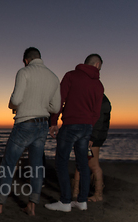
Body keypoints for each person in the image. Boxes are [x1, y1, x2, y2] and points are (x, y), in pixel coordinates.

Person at [0, 47, 61, 216]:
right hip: (42, 125)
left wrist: (13, 105)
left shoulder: (24, 72)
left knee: (8, 164)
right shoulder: (53, 77)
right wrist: (42, 105)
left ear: (26, 60)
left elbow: (16, 99)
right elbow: (56, 107)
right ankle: (32, 205)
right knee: (37, 166)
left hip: (25, 123)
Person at [46, 54, 104, 212]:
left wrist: (53, 122)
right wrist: (89, 125)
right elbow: (96, 112)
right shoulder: (99, 85)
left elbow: (60, 99)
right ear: (97, 64)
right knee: (83, 164)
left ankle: (65, 202)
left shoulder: (71, 76)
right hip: (86, 128)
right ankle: (82, 201)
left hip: (71, 125)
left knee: (61, 162)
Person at [72, 94, 111, 202]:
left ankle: (98, 194)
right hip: (90, 136)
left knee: (92, 164)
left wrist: (92, 137)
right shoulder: (97, 97)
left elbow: (98, 120)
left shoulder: (99, 99)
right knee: (81, 163)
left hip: (93, 138)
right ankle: (75, 192)